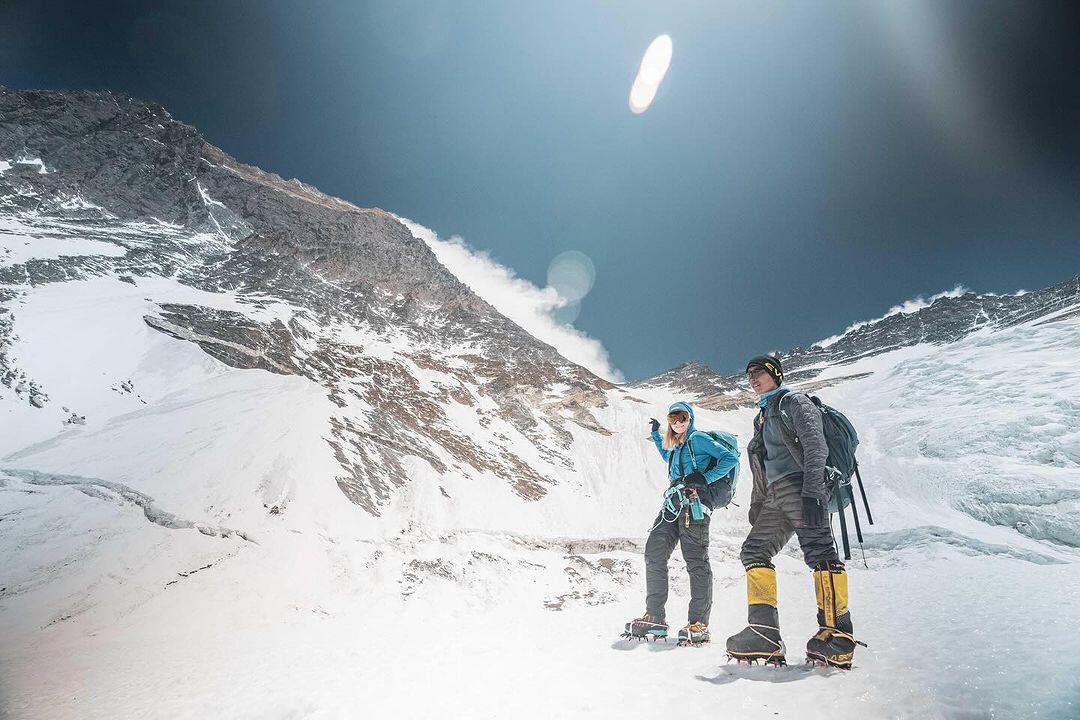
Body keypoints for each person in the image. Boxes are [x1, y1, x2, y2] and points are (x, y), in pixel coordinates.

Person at [725, 355, 858, 668]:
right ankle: (764, 632)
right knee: (754, 550)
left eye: (759, 372)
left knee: (820, 553)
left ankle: (837, 636)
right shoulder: (763, 415)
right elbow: (762, 463)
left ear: (776, 375)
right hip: (776, 496)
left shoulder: (793, 402)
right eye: (749, 374)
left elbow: (815, 446)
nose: (753, 378)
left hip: (802, 487)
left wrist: (813, 491)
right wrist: (758, 503)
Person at [624, 402, 739, 645]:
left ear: (690, 418)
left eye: (682, 417)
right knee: (654, 553)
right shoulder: (676, 446)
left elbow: (730, 458)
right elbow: (667, 455)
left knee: (696, 561)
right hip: (673, 503)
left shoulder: (698, 439)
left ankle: (699, 623)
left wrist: (705, 478)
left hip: (695, 503)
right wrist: (657, 435)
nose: (678, 422)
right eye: (673, 418)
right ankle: (655, 616)